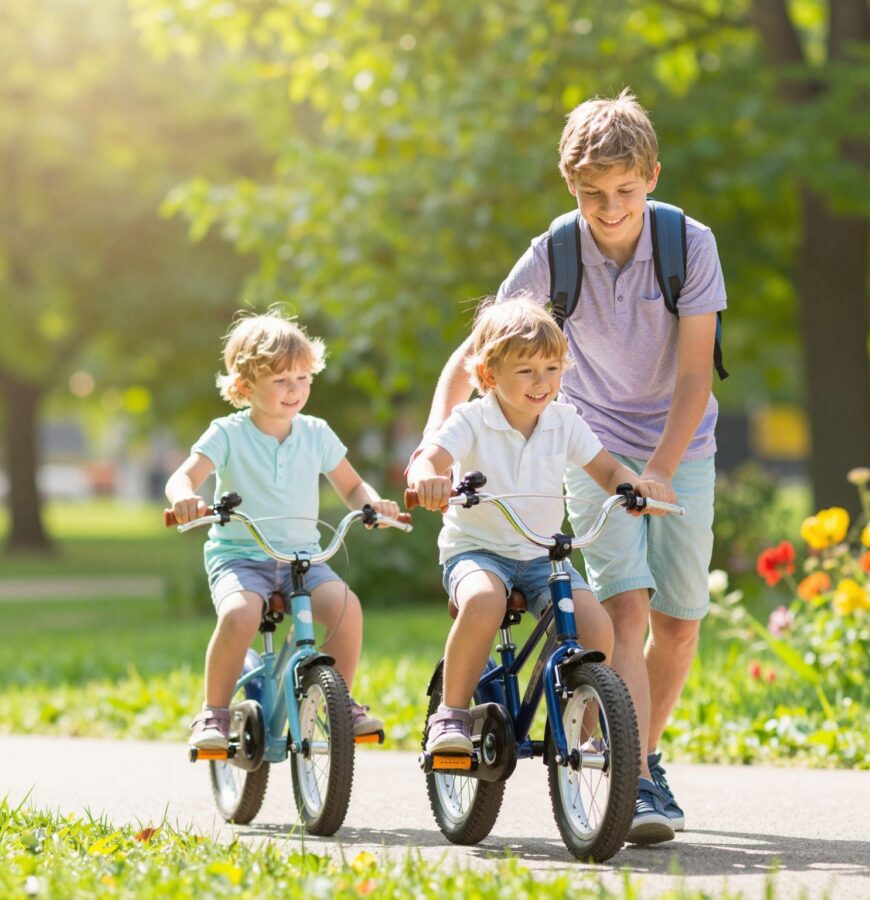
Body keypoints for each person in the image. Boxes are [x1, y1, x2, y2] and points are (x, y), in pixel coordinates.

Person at [415, 89, 726, 844]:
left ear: (651, 175)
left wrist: (656, 470)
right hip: (585, 441)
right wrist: (431, 446)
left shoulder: (690, 245)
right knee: (623, 605)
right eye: (592, 194)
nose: (610, 208)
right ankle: (632, 777)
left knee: (679, 625)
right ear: (571, 186)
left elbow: (694, 378)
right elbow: (475, 353)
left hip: (678, 446)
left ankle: (640, 751)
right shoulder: (555, 250)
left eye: (624, 190)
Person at [408, 299, 673, 837]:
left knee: (597, 625)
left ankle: (583, 723)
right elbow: (432, 457)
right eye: (526, 370)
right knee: (483, 602)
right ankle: (453, 715)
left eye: (551, 369)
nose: (541, 381)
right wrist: (428, 477)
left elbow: (603, 466)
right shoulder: (472, 420)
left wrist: (631, 485)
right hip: (477, 551)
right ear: (489, 374)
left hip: (541, 553)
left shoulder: (563, 420)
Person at [166, 309, 403, 750]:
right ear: (244, 386)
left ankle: (340, 703)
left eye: (302, 378)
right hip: (241, 556)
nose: (295, 390)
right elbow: (183, 476)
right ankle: (214, 713)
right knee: (240, 614)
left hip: (303, 559)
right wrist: (184, 497)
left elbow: (351, 485)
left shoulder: (316, 433)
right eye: (281, 381)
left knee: (346, 607)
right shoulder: (228, 433)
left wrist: (372, 505)